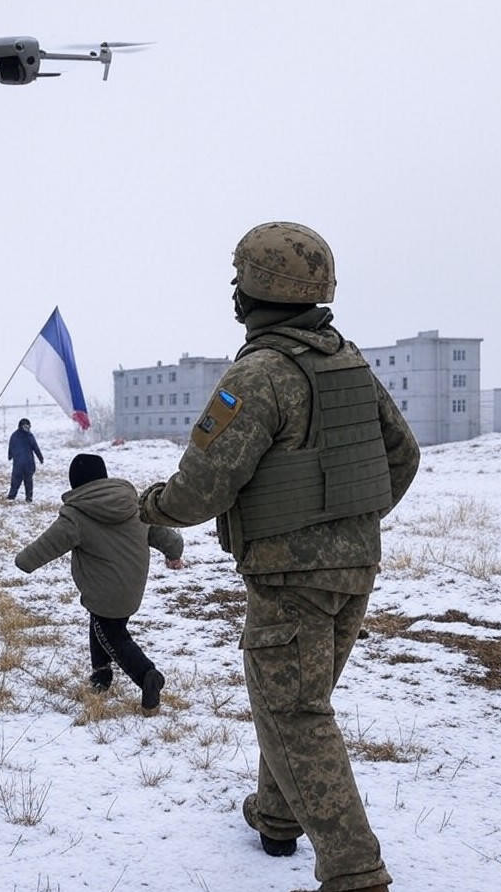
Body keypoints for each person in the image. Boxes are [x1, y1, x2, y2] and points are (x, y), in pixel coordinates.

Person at [139, 222, 420, 892]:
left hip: (290, 577)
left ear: (252, 291)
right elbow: (402, 456)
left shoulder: (258, 375)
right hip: (355, 569)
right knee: (295, 699)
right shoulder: (346, 361)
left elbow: (200, 490)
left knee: (295, 713)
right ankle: (276, 816)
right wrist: (347, 525)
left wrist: (148, 506)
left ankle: (355, 871)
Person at [14, 453, 184, 715]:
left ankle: (147, 675)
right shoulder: (134, 504)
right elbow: (159, 532)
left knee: (112, 635)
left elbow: (48, 544)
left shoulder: (76, 515)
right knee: (101, 622)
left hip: (106, 589)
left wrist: (23, 562)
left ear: (76, 484)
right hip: (131, 584)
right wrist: (174, 551)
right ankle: (101, 675)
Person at [7, 418, 43, 502]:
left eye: (28, 426)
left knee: (28, 482)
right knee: (15, 481)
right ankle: (11, 497)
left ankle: (29, 498)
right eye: (25, 426)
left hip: (28, 464)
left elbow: (35, 447)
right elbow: (11, 446)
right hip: (18, 464)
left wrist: (40, 457)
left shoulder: (29, 436)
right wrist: (10, 455)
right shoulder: (15, 436)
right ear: (20, 426)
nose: (27, 428)